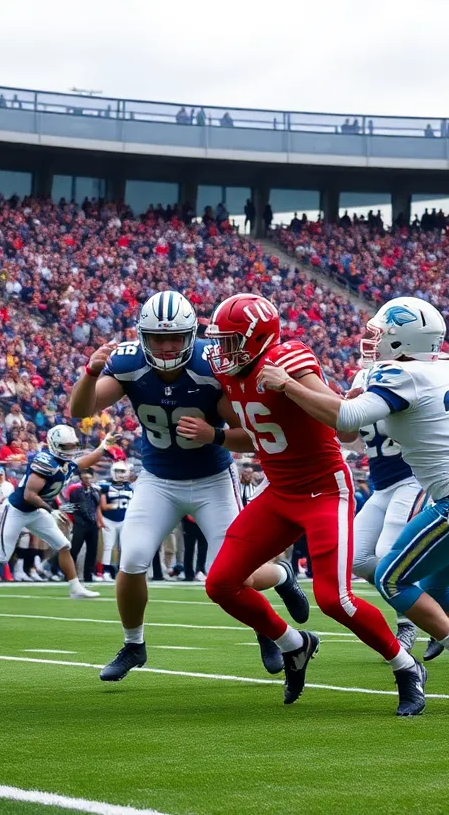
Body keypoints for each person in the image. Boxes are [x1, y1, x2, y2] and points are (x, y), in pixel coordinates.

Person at [262, 296, 449, 711]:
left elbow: (347, 419)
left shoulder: (402, 374)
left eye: (381, 333)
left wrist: (288, 385)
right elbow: (357, 425)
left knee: (390, 580)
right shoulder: (448, 366)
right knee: (436, 585)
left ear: (403, 339)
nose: (373, 340)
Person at [199, 293, 424, 715]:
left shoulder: (289, 358)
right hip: (279, 491)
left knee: (334, 599)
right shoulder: (229, 375)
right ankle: (294, 644)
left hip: (324, 490)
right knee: (221, 584)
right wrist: (214, 435)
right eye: (220, 341)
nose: (221, 351)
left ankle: (405, 666)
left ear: (256, 338)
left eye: (230, 341)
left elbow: (343, 420)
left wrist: (290, 384)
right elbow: (261, 434)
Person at [69, 291, 307, 682]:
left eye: (175, 338)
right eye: (157, 338)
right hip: (158, 479)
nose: (166, 347)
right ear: (143, 337)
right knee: (132, 558)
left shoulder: (212, 364)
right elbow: (80, 410)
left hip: (213, 479)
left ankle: (276, 591)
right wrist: (91, 372)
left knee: (233, 575)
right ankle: (133, 644)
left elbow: (254, 435)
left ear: (190, 335)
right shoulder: (129, 363)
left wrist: (214, 434)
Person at [0, 425, 109, 598]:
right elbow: (29, 495)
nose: (71, 450)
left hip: (36, 511)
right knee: (2, 556)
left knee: (64, 545)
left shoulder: (65, 463)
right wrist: (52, 510)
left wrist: (104, 446)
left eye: (73, 446)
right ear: (54, 445)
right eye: (66, 446)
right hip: (17, 511)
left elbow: (87, 460)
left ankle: (75, 588)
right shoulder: (46, 463)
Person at [341, 364, 428, 653]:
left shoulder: (405, 379)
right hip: (381, 487)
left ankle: (407, 622)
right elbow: (346, 436)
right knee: (356, 558)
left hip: (410, 480)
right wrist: (349, 407)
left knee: (387, 554)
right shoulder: (362, 379)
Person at [97, 460, 133, 581]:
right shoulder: (105, 487)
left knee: (124, 547)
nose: (120, 474)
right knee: (108, 546)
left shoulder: (130, 489)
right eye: (118, 471)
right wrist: (116, 506)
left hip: (124, 520)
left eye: (123, 471)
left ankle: (122, 571)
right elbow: (102, 506)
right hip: (109, 520)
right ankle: (106, 571)